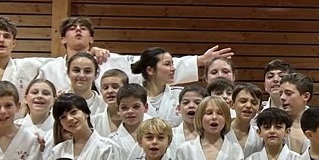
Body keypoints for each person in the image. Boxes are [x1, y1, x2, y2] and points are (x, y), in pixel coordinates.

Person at [37, 15, 228, 96]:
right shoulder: (49, 69)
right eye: (72, 28)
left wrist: (198, 61)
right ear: (63, 39)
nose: (78, 30)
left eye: (83, 28)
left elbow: (152, 65)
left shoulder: (108, 61)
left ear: (92, 39)